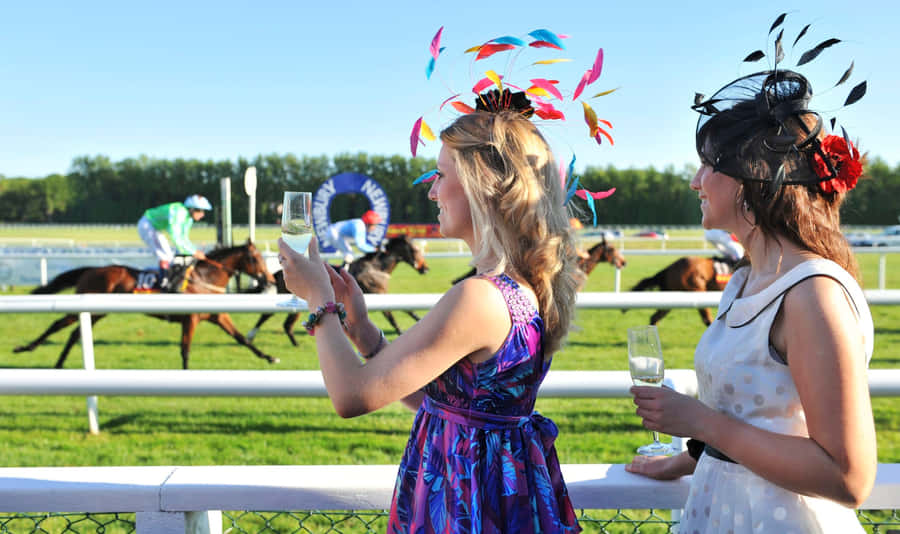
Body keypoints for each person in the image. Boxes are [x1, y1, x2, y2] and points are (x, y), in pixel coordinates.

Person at [278, 108, 583, 532]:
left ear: (482, 184)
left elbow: (350, 396)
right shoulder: (521, 286)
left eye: (440, 175)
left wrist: (319, 300)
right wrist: (362, 330)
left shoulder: (478, 297)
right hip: (495, 495)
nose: (433, 192)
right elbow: (444, 403)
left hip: (464, 501)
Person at [625, 41, 875, 533]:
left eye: (708, 165)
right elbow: (757, 419)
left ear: (749, 178)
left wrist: (699, 422)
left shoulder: (813, 294)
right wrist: (687, 459)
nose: (696, 180)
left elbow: (848, 477)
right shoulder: (743, 280)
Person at [138, 195, 211, 289]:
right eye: (200, 211)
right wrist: (194, 252)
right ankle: (164, 285)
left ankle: (167, 279)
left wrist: (195, 251)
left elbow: (184, 238)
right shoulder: (178, 212)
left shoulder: (188, 218)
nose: (203, 214)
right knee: (166, 255)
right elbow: (175, 236)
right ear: (192, 209)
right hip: (147, 225)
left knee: (171, 256)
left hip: (155, 228)